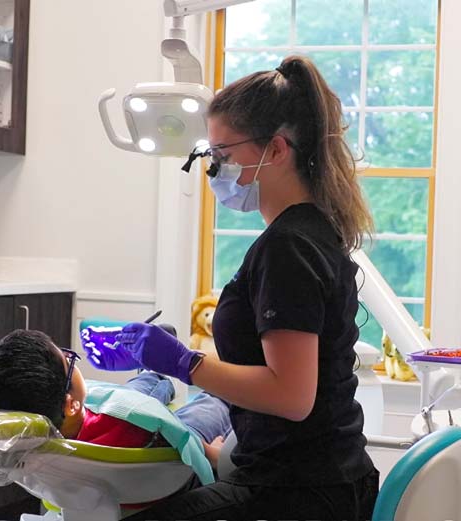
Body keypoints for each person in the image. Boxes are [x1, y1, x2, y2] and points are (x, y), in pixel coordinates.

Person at [111, 55, 380, 521]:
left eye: (223, 154)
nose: (215, 169)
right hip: (315, 480)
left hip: (303, 495)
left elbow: (291, 397)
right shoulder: (308, 232)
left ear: (276, 150)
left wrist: (182, 362)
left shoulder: (289, 248)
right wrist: (231, 452)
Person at [0, 329, 232, 464]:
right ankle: (161, 377)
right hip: (159, 455)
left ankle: (152, 374)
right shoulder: (130, 424)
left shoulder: (24, 436)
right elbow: (180, 437)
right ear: (71, 405)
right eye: (70, 363)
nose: (73, 361)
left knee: (138, 386)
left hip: (93, 423)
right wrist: (211, 454)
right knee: (211, 402)